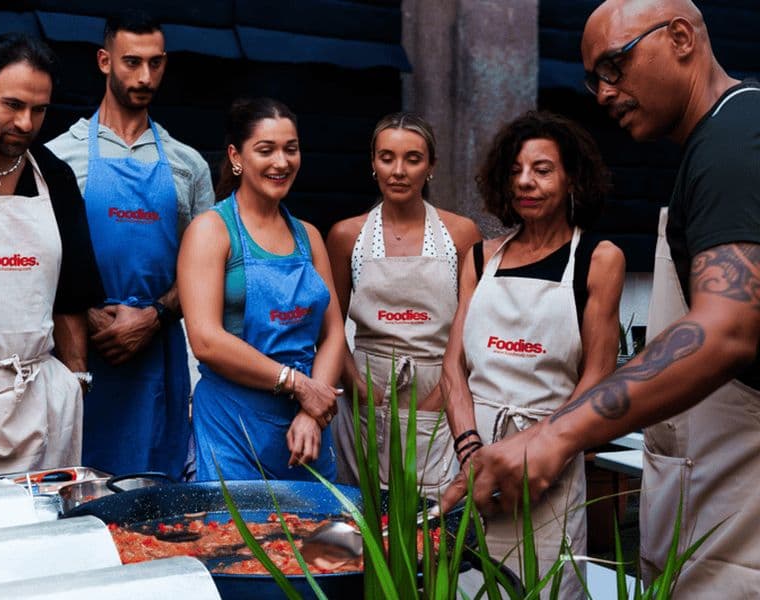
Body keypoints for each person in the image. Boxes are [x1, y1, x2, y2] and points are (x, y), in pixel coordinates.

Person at [457, 0, 760, 595]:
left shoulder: (734, 143)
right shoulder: (715, 144)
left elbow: (725, 328)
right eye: (594, 77)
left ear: (679, 37)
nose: (603, 92)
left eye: (614, 66)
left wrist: (556, 433)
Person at [441, 111, 625, 597]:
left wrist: (536, 451)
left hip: (549, 470)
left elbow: (599, 376)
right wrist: (470, 451)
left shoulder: (598, 259)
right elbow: (453, 369)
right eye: (516, 170)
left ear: (571, 179)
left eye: (542, 169)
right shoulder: (480, 257)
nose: (526, 181)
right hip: (471, 463)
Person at [47, 11, 215, 478]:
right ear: (104, 61)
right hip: (80, 353)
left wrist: (155, 315)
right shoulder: (61, 157)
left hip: (157, 358)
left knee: (156, 500)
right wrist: (87, 311)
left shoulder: (188, 165)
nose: (144, 76)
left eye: (155, 63)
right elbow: (45, 260)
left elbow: (206, 270)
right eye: (131, 62)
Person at [0, 33, 104, 477]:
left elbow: (71, 299)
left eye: (38, 110)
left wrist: (76, 383)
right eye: (13, 105)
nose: (26, 122)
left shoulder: (55, 178)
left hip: (41, 405)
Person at [177, 97, 344, 482]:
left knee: (314, 540)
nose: (281, 163)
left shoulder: (309, 237)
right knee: (235, 539)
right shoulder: (210, 231)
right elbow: (205, 340)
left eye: (291, 149)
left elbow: (333, 332)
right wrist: (297, 384)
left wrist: (312, 412)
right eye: (265, 150)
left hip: (305, 435)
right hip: (232, 427)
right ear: (237, 157)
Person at [326, 112, 481, 499]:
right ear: (372, 163)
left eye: (412, 158)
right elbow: (329, 328)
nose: (399, 171)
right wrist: (359, 388)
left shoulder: (461, 234)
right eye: (387, 157)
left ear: (430, 166)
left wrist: (441, 396)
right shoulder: (347, 236)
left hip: (440, 392)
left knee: (431, 522)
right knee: (362, 515)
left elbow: (473, 327)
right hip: (365, 392)